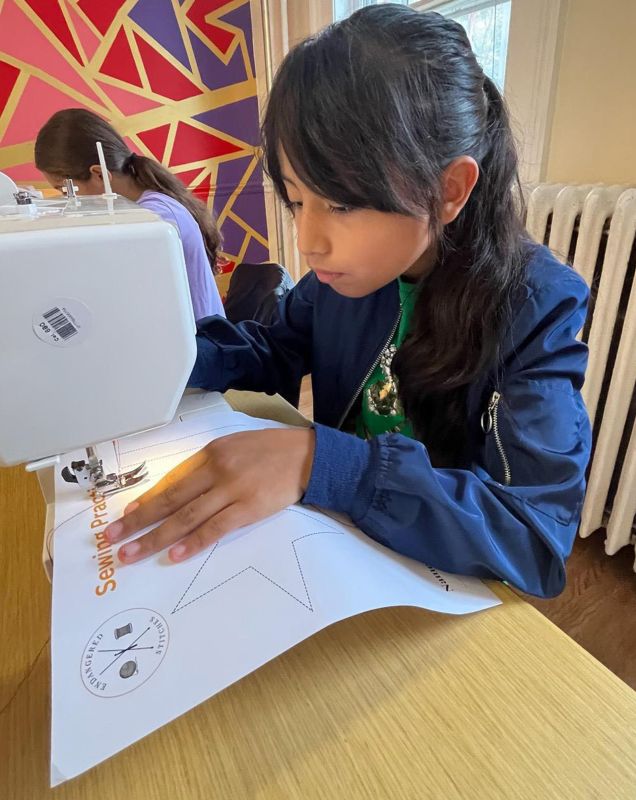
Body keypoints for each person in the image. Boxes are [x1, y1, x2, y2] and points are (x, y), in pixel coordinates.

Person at [103, 5, 591, 599]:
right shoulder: (349, 274)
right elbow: (277, 348)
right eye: (297, 200)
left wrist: (325, 462)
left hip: (433, 581)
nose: (308, 242)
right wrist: (172, 355)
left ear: (449, 190)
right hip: (340, 542)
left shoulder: (537, 308)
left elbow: (534, 536)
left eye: (342, 204)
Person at [34, 108, 225, 322]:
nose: (69, 202)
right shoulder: (143, 208)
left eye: (66, 191)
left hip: (201, 339)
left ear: (99, 174)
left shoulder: (156, 217)